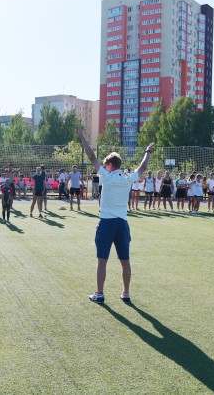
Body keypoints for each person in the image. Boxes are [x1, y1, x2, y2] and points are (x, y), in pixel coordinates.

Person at [76, 127, 154, 304]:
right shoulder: (127, 178)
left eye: (105, 164)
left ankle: (100, 293)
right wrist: (148, 151)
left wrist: (82, 136)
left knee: (102, 260)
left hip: (106, 223)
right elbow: (143, 167)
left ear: (110, 165)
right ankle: (125, 293)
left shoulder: (107, 176)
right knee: (125, 261)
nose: (102, 167)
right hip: (122, 223)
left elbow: (91, 157)